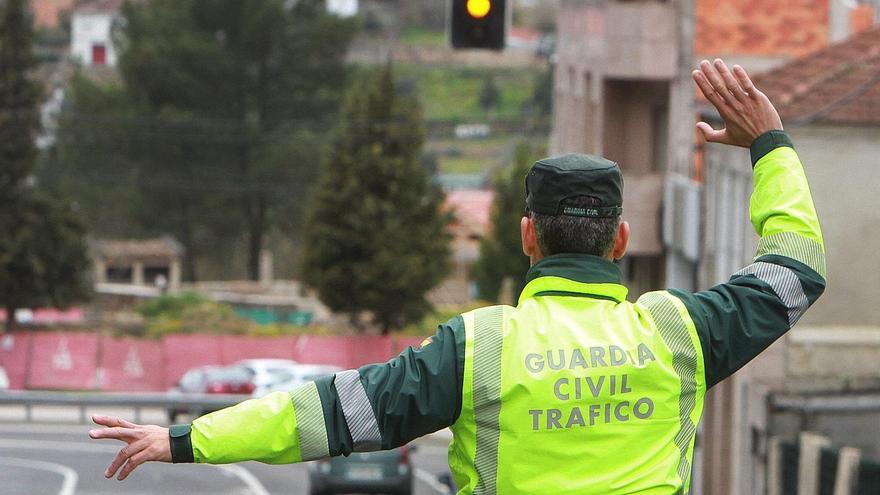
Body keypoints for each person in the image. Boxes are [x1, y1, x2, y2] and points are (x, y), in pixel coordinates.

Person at [90, 60, 826, 494]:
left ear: (526, 235)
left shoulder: (481, 346)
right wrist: (769, 144)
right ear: (622, 239)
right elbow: (797, 267)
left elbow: (329, 414)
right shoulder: (680, 333)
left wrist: (185, 438)